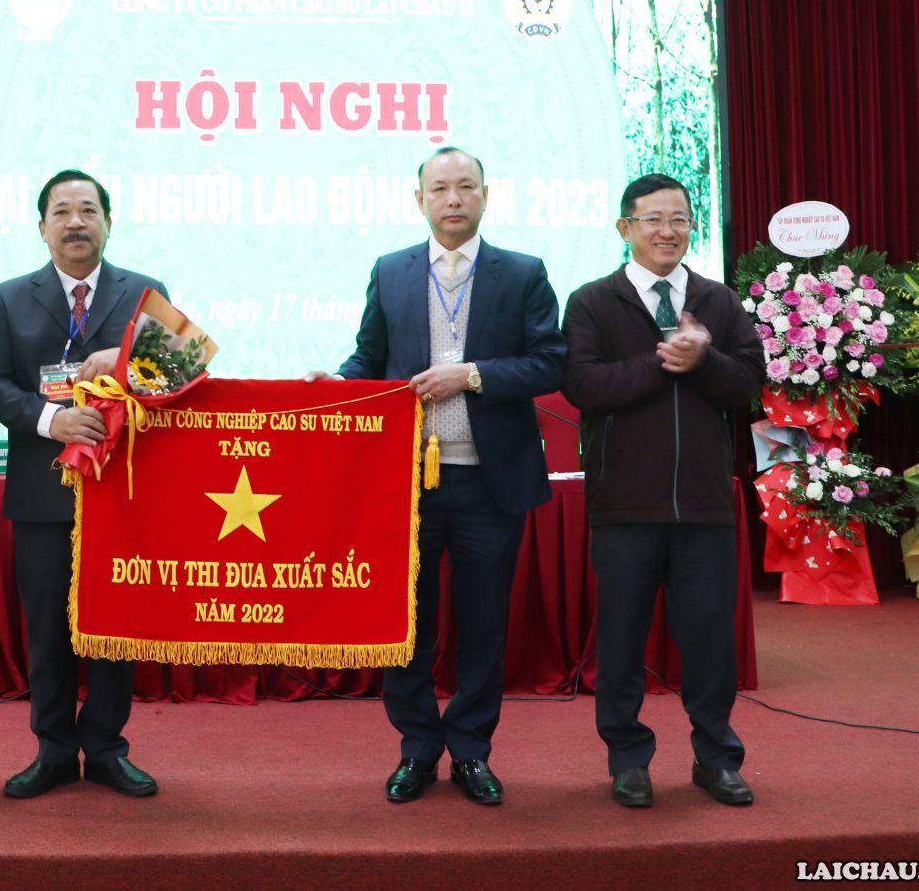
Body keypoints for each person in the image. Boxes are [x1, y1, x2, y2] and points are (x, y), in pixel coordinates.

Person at [326, 146, 566, 805]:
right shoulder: (391, 270)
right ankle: (417, 749)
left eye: (466, 187)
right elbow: (368, 359)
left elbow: (551, 362)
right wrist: (334, 386)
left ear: (485, 195)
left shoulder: (523, 273)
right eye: (440, 189)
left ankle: (470, 751)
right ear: (420, 200)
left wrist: (473, 375)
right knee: (407, 625)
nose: (453, 199)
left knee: (484, 626)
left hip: (490, 481)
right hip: (407, 484)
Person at [560, 173, 764, 809]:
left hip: (704, 503)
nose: (666, 232)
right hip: (624, 504)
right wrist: (663, 359)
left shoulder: (718, 301)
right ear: (625, 228)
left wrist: (704, 360)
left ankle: (716, 757)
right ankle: (628, 758)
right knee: (621, 640)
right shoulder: (593, 302)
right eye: (652, 219)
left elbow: (749, 385)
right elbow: (583, 387)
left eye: (678, 219)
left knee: (709, 641)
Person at [0, 169, 166, 800]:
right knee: (48, 628)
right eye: (62, 211)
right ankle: (54, 750)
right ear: (42, 227)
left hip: (122, 492)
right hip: (42, 491)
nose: (76, 222)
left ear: (109, 223)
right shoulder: (8, 297)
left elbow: (183, 370)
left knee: (115, 623)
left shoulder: (145, 293)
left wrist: (128, 361)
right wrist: (50, 420)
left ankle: (107, 749)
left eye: (89, 210)